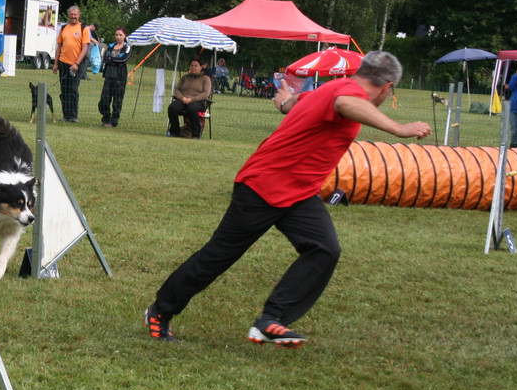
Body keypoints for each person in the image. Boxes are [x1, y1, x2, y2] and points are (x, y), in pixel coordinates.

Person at [144, 51, 432, 346]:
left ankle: (271, 320)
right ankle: (160, 311)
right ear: (387, 87)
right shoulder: (346, 92)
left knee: (324, 250)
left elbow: (295, 104)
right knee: (217, 257)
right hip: (263, 186)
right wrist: (398, 128)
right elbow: (345, 103)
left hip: (299, 193)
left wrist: (284, 102)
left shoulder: (331, 87)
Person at [52, 5, 90, 123]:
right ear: (69, 15)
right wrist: (55, 64)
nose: (73, 16)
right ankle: (66, 115)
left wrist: (76, 63)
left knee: (73, 89)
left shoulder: (84, 29)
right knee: (64, 90)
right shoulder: (63, 28)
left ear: (79, 15)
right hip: (63, 63)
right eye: (71, 14)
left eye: (75, 14)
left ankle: (73, 116)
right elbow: (59, 46)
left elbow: (85, 48)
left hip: (76, 64)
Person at [167, 60, 212, 138]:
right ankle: (174, 131)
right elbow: (177, 89)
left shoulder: (205, 78)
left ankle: (196, 134)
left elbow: (206, 93)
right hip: (183, 100)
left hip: (198, 101)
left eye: (195, 66)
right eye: (191, 65)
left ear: (201, 67)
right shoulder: (185, 77)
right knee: (172, 108)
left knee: (192, 109)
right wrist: (182, 98)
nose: (193, 67)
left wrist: (193, 99)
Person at [98, 27, 131, 128]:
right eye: (116, 35)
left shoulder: (127, 47)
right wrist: (115, 60)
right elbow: (105, 58)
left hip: (120, 77)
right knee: (104, 99)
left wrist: (111, 60)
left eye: (120, 35)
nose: (118, 37)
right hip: (109, 75)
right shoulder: (110, 46)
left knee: (117, 100)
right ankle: (106, 118)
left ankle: (113, 121)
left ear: (124, 36)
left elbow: (123, 59)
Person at [508, 63, 517, 148]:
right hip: (514, 108)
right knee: (514, 130)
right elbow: (511, 87)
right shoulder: (514, 77)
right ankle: (514, 147)